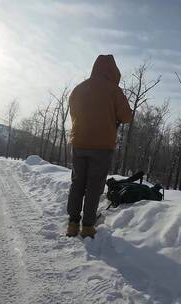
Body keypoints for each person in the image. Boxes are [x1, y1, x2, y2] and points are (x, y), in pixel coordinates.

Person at [66, 54, 133, 238]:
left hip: (79, 142)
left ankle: (72, 223)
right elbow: (127, 117)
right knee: (94, 185)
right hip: (102, 147)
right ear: (113, 72)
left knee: (77, 182)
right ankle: (87, 226)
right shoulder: (114, 90)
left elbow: (73, 112)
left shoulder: (79, 88)